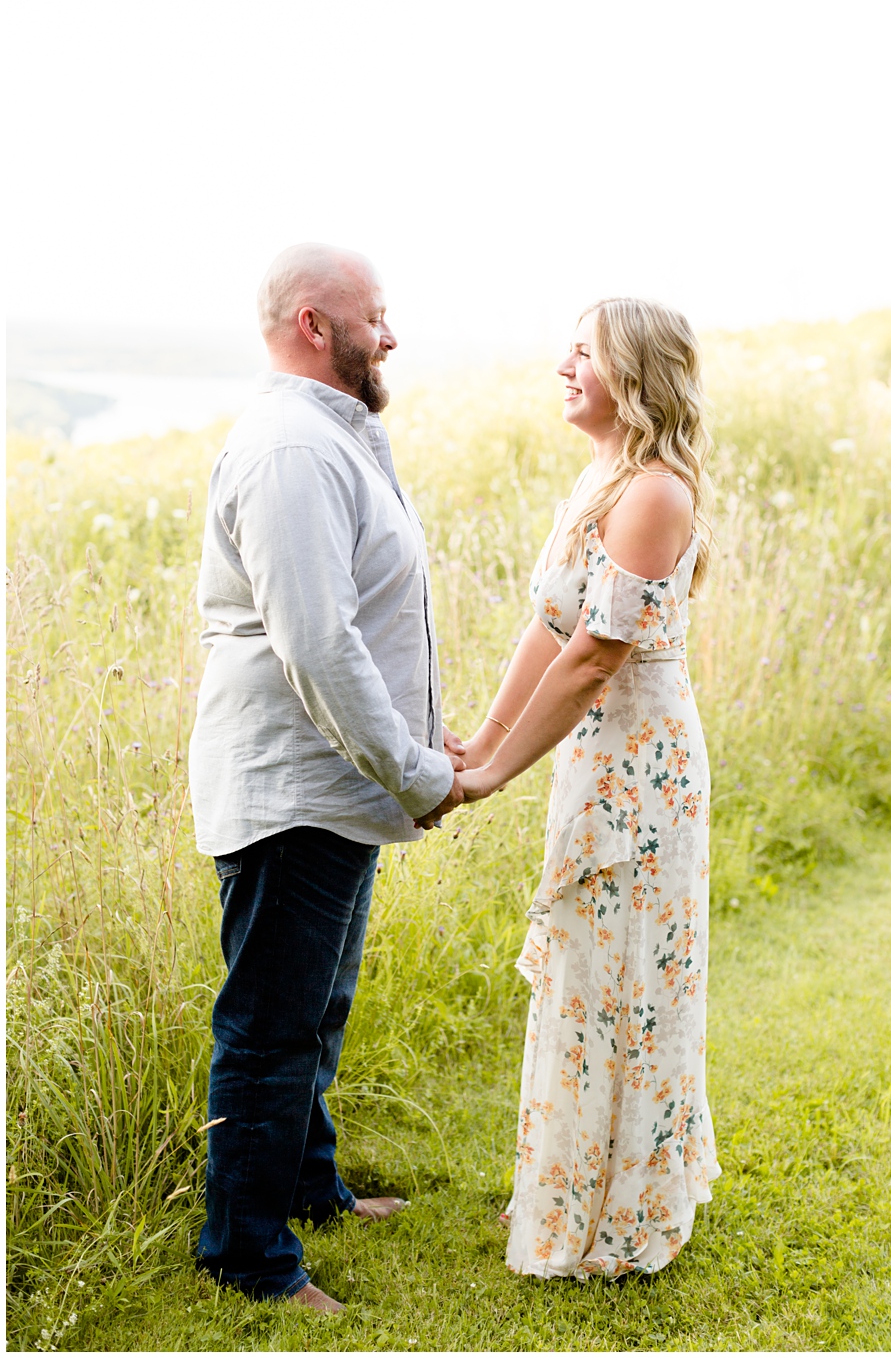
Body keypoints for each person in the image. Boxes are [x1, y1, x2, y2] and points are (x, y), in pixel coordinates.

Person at [191, 243, 468, 1313]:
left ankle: (307, 1189)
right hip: (294, 785)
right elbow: (318, 641)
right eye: (377, 315)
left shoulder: (333, 437)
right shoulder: (293, 451)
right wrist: (412, 772)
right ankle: (247, 1257)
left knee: (315, 1007)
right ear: (316, 323)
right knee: (268, 1026)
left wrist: (406, 770)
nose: (390, 334)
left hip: (332, 787)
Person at [455, 297, 721, 1279]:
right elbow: (548, 627)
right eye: (566, 351)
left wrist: (488, 779)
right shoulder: (601, 475)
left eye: (584, 354)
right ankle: (566, 1186)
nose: (564, 368)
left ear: (634, 373)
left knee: (624, 984)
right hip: (594, 761)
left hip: (643, 774)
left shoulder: (654, 492)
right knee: (585, 976)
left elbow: (594, 659)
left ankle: (617, 1214)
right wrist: (478, 739)